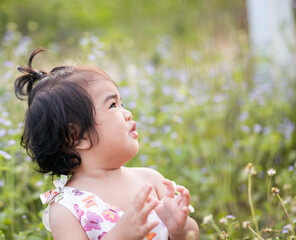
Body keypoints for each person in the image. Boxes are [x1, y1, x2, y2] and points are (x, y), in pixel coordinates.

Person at [14, 49, 199, 240]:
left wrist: (181, 228)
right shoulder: (66, 208)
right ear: (77, 136)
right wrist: (121, 235)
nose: (127, 113)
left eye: (122, 103)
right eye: (112, 105)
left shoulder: (151, 180)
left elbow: (191, 236)